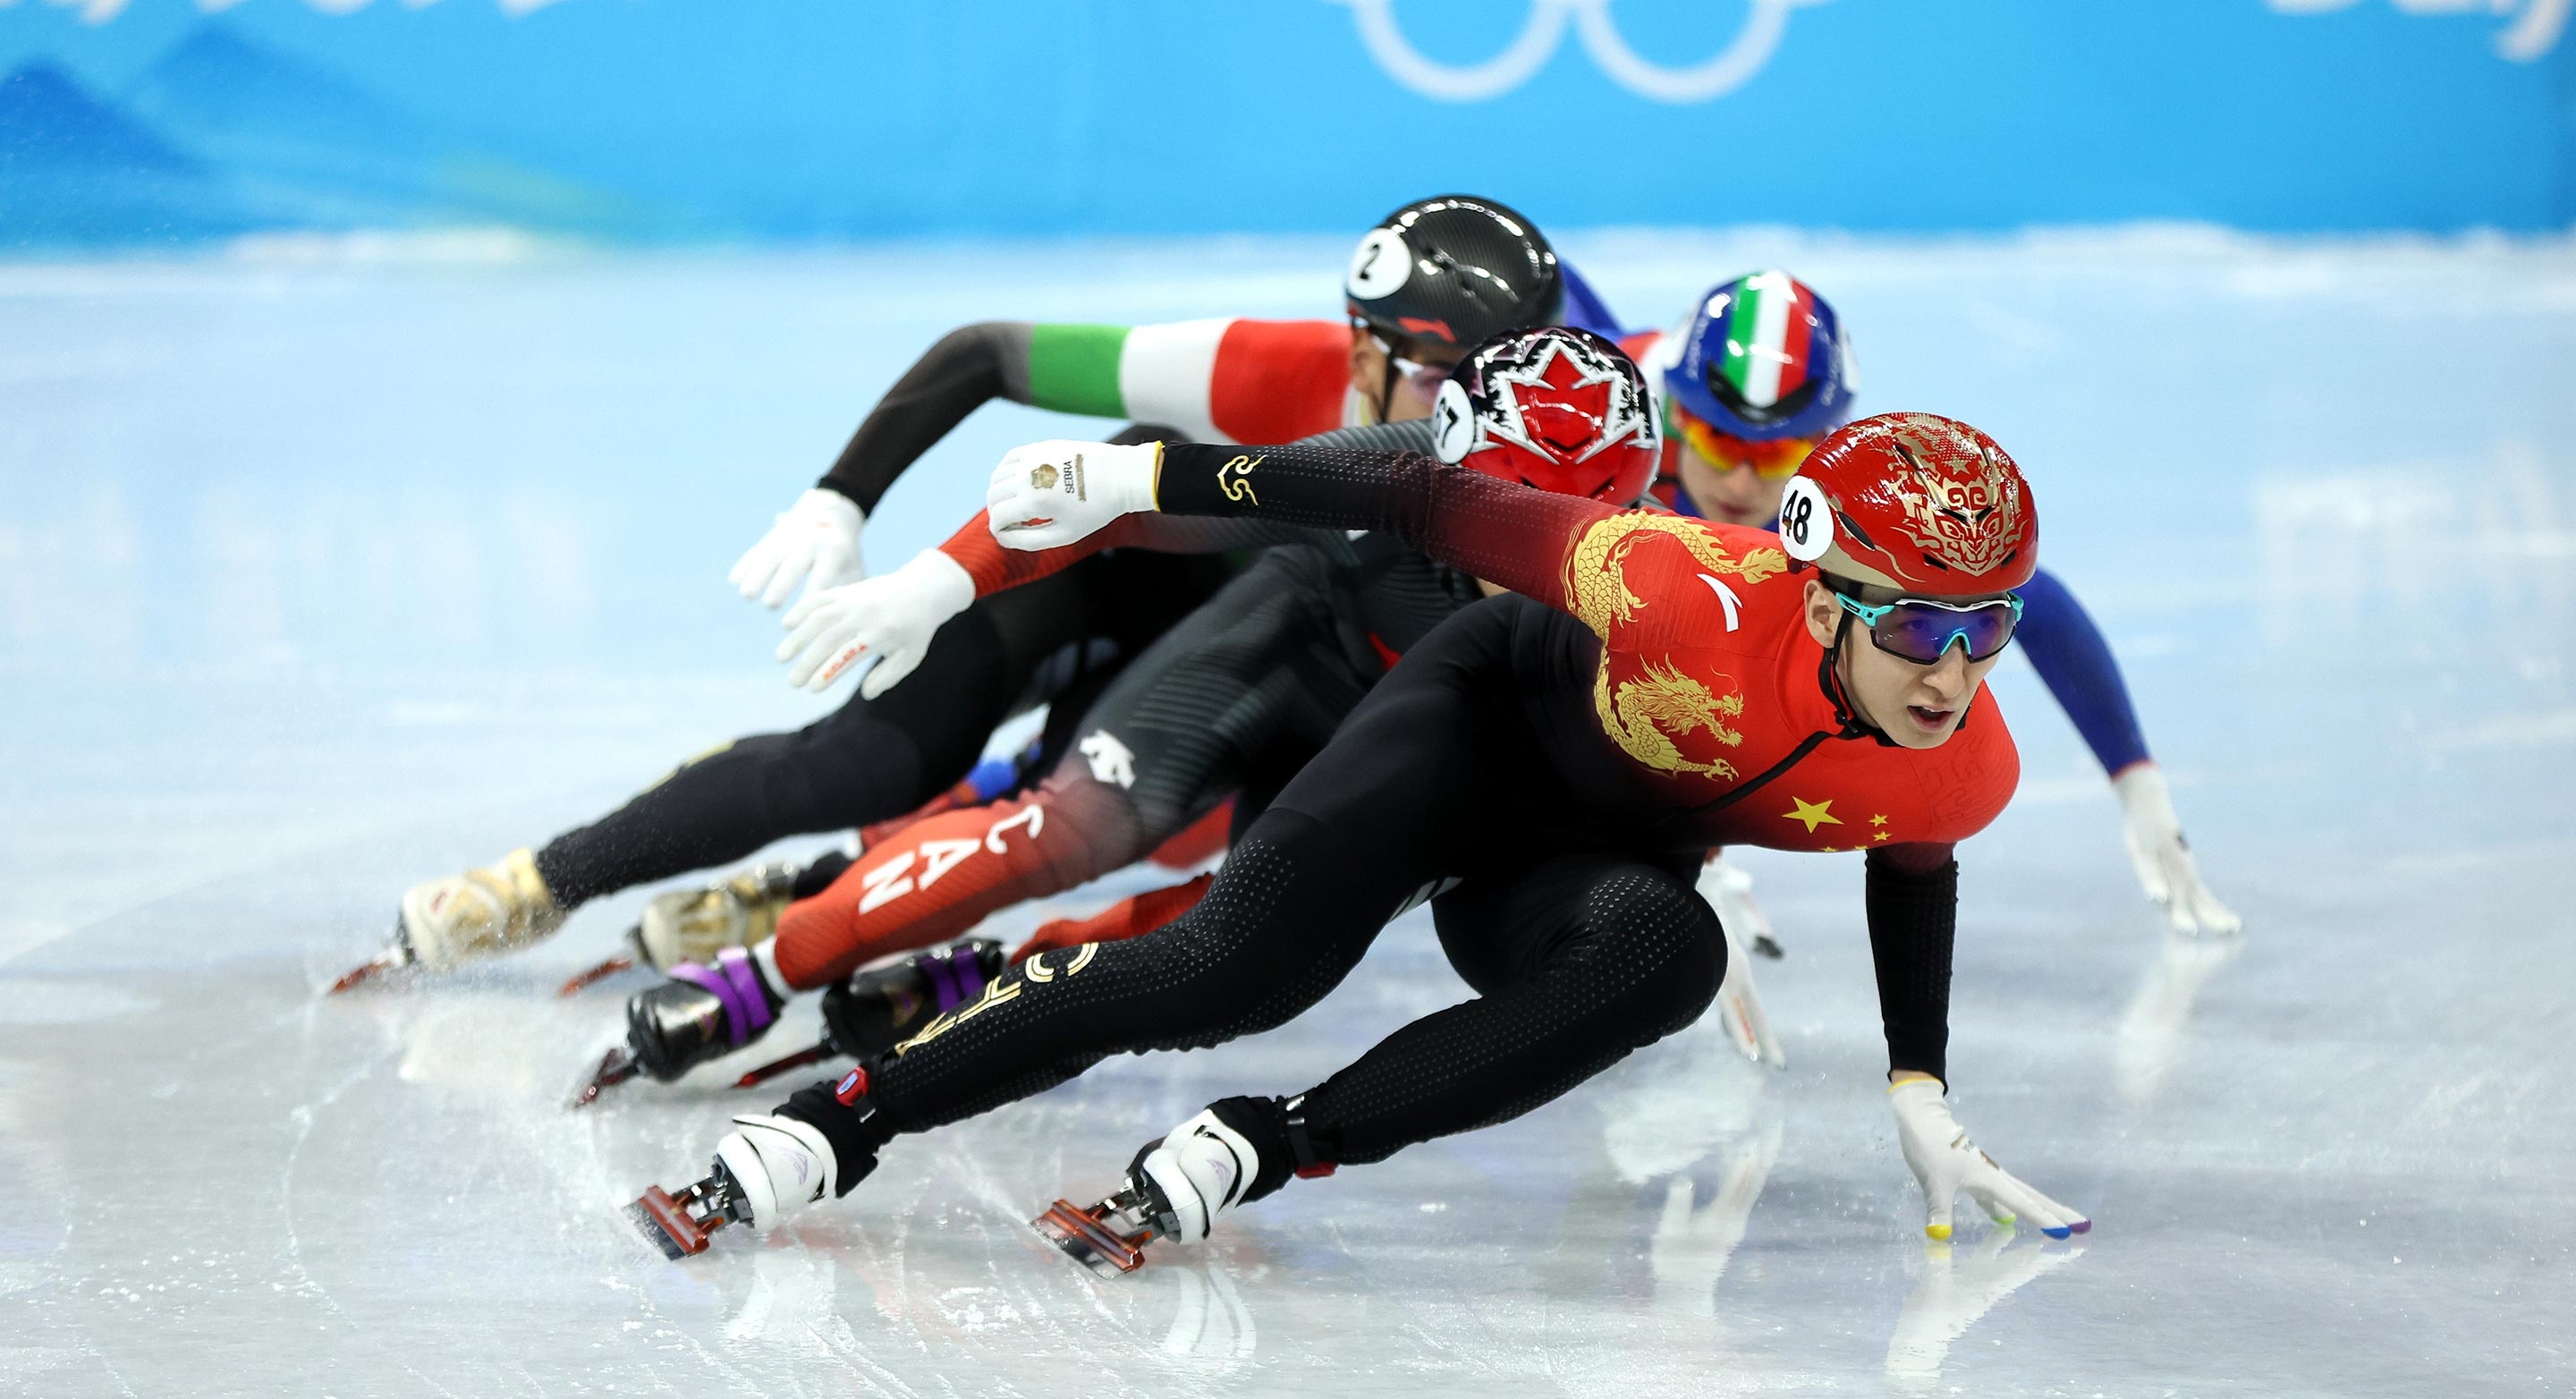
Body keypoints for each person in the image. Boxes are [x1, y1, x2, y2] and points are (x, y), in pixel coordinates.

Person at [634, 411, 2089, 1264]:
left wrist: (1917, 1081)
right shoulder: (1672, 583)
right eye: (1918, 624)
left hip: (1570, 876)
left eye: (1989, 627)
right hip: (1466, 738)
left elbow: (1916, 859)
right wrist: (1151, 483)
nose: (1953, 671)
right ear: (1823, 588)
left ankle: (1266, 1145)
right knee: (1230, 976)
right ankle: (843, 1119)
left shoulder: (1965, 763)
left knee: (1673, 953)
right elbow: (1418, 490)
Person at [357, 195, 1580, 984]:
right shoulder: (1263, 368)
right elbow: (985, 354)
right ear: (1363, 350)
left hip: (1253, 641)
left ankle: (815, 896)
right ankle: (539, 883)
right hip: (1100, 573)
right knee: (869, 757)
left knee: (1208, 840)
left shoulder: (1548, 423)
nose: (1475, 425)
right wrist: (842, 499)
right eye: (1442, 388)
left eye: (1503, 386)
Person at [594, 326, 1701, 1093]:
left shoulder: (1672, 578)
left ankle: (1003, 978)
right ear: (1443, 474)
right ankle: (764, 972)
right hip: (1277, 656)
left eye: (1589, 520)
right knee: (1062, 831)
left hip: (1405, 738)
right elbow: (1115, 499)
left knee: (1238, 933)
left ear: (1645, 499)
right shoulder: (1382, 472)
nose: (1542, 548)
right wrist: (936, 584)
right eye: (1506, 508)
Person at [1633, 272, 2236, 936]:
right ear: (1676, 417)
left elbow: (2031, 598)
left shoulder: (1846, 494)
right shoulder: (1620, 457)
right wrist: (1680, 855)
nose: (1742, 480)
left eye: (1778, 452)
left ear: (1824, 438)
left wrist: (2136, 781)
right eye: (1720, 441)